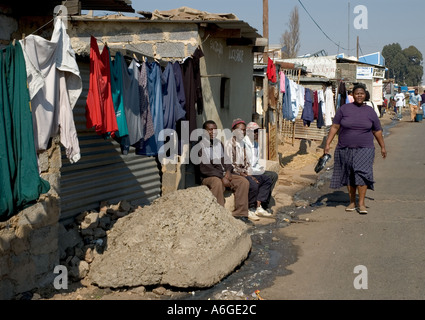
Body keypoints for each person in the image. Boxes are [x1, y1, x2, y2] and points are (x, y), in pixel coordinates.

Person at [324, 83, 387, 214]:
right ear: (352, 94)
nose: (359, 95)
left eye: (362, 93)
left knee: (363, 174)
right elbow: (335, 127)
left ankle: (361, 203)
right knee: (349, 175)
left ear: (365, 95)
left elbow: (377, 131)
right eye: (357, 93)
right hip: (344, 148)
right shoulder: (344, 109)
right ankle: (352, 201)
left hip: (365, 148)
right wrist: (328, 143)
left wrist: (382, 147)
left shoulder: (370, 111)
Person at [197, 120, 252, 224]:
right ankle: (219, 216)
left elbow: (227, 161)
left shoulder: (219, 144)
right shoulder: (200, 146)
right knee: (217, 183)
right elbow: (205, 168)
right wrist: (222, 177)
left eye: (215, 129)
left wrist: (228, 172)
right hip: (209, 176)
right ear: (204, 132)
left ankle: (240, 214)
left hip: (223, 174)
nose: (213, 132)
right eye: (210, 130)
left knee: (243, 181)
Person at [226, 118, 273, 220]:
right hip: (234, 173)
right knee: (252, 183)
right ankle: (249, 208)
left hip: (245, 172)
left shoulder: (243, 144)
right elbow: (230, 164)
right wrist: (246, 175)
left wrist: (249, 173)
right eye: (239, 130)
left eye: (243, 130)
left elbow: (247, 163)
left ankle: (258, 206)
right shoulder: (229, 144)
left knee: (266, 179)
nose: (242, 132)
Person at [244, 121, 279, 213]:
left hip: (255, 169)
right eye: (254, 132)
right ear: (248, 132)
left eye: (257, 132)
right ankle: (256, 204)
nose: (256, 134)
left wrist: (260, 168)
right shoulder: (244, 143)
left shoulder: (256, 145)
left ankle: (264, 202)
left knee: (273, 175)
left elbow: (256, 161)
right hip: (247, 171)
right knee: (265, 178)